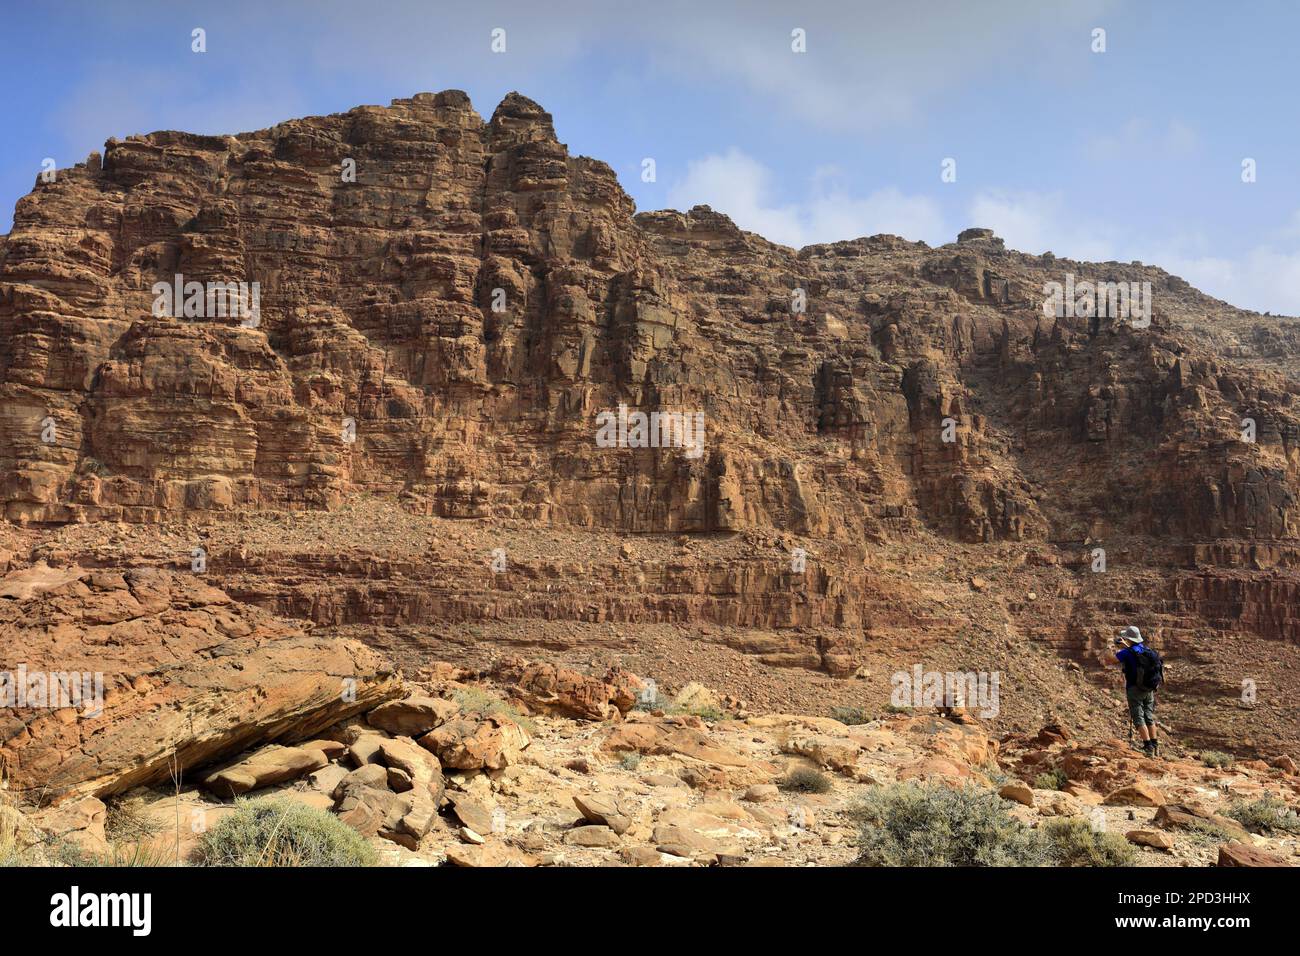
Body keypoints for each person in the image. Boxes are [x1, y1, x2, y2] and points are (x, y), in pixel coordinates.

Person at [1114, 625, 1163, 757]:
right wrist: (1126, 646)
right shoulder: (1146, 650)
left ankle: (1148, 748)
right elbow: (1136, 653)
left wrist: (1113, 646)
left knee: (1139, 717)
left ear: (1128, 639)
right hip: (1149, 689)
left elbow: (1110, 658)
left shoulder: (1126, 653)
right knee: (1149, 716)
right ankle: (1155, 746)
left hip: (1134, 689)